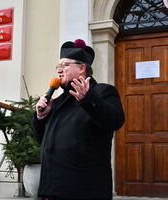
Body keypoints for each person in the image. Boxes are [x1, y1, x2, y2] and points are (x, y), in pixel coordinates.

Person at [33, 39, 125, 200]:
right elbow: (42, 141)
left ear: (82, 68)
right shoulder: (57, 101)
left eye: (65, 65)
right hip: (52, 187)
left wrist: (87, 99)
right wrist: (41, 117)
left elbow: (115, 120)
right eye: (58, 66)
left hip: (83, 188)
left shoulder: (103, 92)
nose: (59, 71)